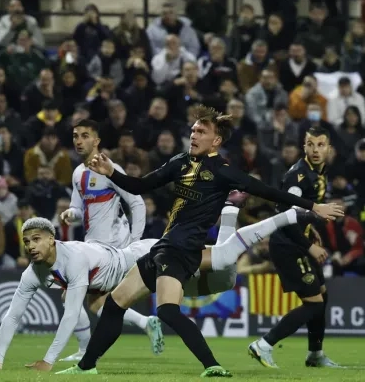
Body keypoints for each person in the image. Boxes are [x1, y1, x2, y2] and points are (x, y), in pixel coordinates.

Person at [57, 105, 345, 377]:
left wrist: (311, 206)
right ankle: (86, 367)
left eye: (200, 132)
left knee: (167, 310)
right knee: (115, 303)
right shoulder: (179, 163)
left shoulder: (223, 171)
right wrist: (112, 173)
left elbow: (269, 191)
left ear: (216, 140)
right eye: (193, 131)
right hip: (165, 247)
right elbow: (141, 185)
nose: (193, 136)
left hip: (182, 249)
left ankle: (212, 365)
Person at [0, 206, 307, 372]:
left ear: (52, 239)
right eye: (27, 241)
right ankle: (228, 219)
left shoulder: (73, 259)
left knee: (222, 262)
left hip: (147, 258)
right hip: (130, 278)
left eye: (37, 239)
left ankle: (272, 217)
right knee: (225, 279)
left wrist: (48, 360)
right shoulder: (33, 273)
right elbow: (12, 317)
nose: (30, 246)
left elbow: (70, 315)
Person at [57, 119, 161, 361]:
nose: (79, 141)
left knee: (70, 294)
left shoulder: (109, 169)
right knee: (96, 301)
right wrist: (69, 215)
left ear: (97, 141)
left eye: (85, 135)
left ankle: (84, 351)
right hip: (94, 247)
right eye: (75, 136)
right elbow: (77, 208)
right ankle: (145, 322)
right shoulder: (78, 173)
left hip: (112, 249)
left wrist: (135, 241)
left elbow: (137, 202)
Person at [248, 127, 342, 368]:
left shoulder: (319, 173)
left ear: (328, 148)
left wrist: (314, 229)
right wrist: (309, 246)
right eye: (311, 144)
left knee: (323, 295)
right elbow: (286, 217)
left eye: (321, 145)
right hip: (288, 245)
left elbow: (304, 214)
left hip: (301, 240)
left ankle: (315, 355)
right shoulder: (298, 177)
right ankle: (264, 345)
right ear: (304, 146)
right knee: (314, 303)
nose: (316, 150)